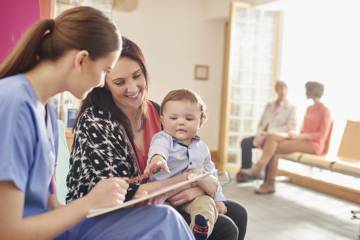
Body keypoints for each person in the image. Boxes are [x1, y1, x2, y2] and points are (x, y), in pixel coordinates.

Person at [0, 7, 194, 240]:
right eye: (106, 71)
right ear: (81, 60)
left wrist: (98, 202)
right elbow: (7, 231)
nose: (103, 81)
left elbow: (52, 208)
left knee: (164, 219)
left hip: (55, 230)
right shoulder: (14, 103)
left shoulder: (46, 111)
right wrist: (89, 203)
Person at [67, 37, 247, 240]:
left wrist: (196, 188)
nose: (133, 88)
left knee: (238, 213)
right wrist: (189, 181)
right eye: (120, 82)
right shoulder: (96, 121)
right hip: (114, 213)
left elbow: (192, 159)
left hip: (162, 198)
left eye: (137, 76)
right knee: (224, 228)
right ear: (105, 85)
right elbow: (122, 195)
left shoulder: (159, 111)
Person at [146, 89, 227, 240]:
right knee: (163, 214)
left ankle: (201, 228)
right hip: (164, 195)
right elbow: (158, 150)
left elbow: (211, 175)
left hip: (192, 197)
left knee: (206, 204)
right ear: (162, 120)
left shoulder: (202, 148)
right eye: (173, 118)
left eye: (189, 119)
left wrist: (219, 199)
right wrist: (158, 159)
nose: (181, 122)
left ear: (201, 121)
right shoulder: (163, 139)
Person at [239, 81, 331, 194]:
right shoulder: (309, 108)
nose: (305, 92)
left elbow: (322, 135)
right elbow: (303, 129)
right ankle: (267, 181)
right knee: (273, 141)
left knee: (274, 145)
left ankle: (261, 172)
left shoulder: (325, 110)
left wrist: (300, 136)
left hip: (314, 145)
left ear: (313, 91)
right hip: (302, 140)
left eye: (307, 89)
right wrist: (296, 135)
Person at [236, 81, 296, 183]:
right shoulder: (269, 105)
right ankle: (246, 172)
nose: (282, 91)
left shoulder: (291, 108)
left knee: (271, 146)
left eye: (284, 89)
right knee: (245, 142)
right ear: (276, 90)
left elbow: (290, 127)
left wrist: (271, 133)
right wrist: (260, 133)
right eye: (279, 89)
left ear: (287, 91)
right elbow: (261, 122)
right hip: (262, 135)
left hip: (276, 137)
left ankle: (263, 175)